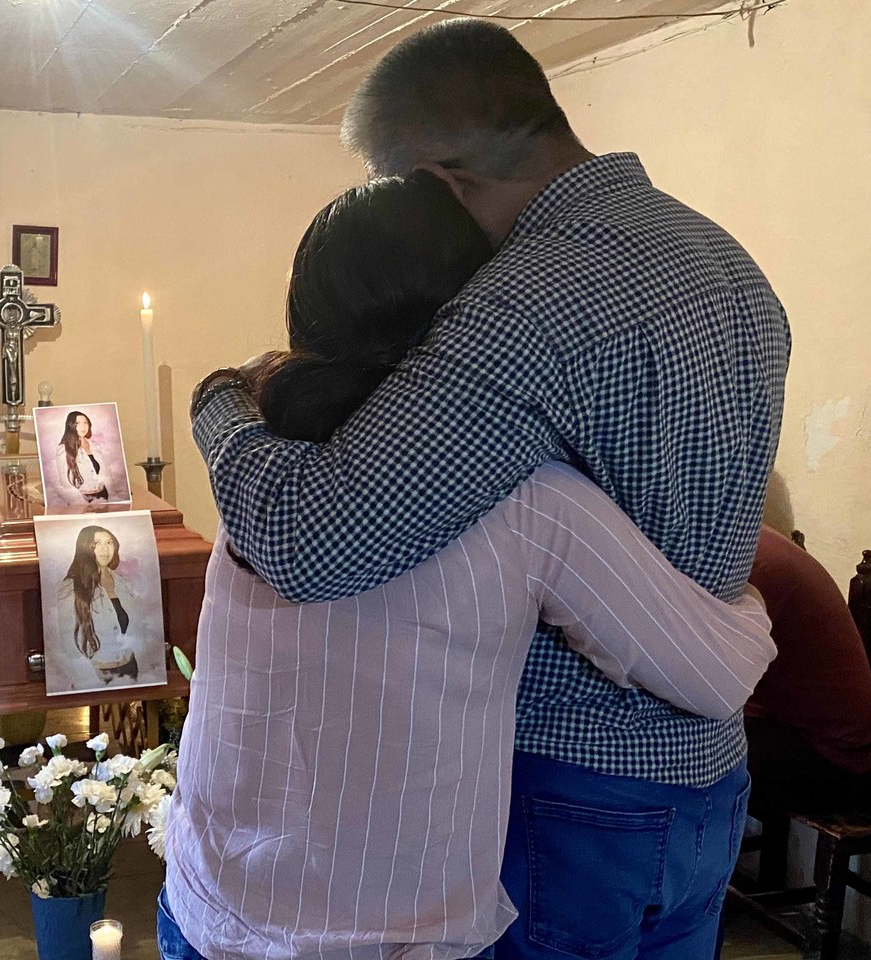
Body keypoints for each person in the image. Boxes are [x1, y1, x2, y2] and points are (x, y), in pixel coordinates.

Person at [187, 20, 790, 959]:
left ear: (443, 182)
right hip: (711, 779)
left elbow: (310, 538)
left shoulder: (527, 298)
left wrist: (221, 402)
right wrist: (743, 610)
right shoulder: (725, 260)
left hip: (570, 788)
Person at [745, 526, 871, 815]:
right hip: (812, 737)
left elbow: (716, 687)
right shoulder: (754, 544)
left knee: (692, 752)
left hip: (841, 761)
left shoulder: (750, 566)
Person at [54, 525, 144, 690]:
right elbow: (68, 644)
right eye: (96, 543)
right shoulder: (71, 588)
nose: (105, 549)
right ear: (85, 547)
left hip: (130, 670)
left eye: (109, 542)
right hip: (95, 676)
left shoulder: (123, 583)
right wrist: (89, 681)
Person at [51, 411, 112, 506]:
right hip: (82, 500)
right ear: (70, 425)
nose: (83, 427)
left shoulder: (95, 446)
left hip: (103, 495)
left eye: (85, 422)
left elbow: (104, 473)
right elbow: (65, 482)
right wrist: (80, 503)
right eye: (77, 423)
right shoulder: (63, 449)